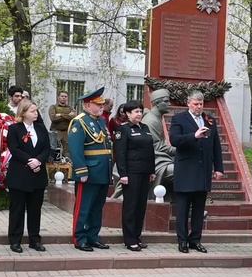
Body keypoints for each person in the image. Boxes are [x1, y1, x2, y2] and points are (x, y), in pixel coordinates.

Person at [170, 91, 224, 254]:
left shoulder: (209, 120)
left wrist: (219, 168)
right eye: (195, 104)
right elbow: (174, 140)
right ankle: (182, 240)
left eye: (201, 104)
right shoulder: (179, 119)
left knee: (199, 210)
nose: (199, 107)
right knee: (183, 209)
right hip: (186, 171)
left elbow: (216, 146)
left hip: (203, 171)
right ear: (188, 103)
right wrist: (194, 135)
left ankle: (195, 240)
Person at [68, 87, 113, 252]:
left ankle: (93, 236)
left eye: (102, 104)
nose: (102, 107)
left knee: (97, 207)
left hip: (102, 171)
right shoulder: (79, 122)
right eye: (97, 104)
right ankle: (80, 238)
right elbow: (75, 149)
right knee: (84, 207)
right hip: (89, 172)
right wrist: (81, 171)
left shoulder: (101, 121)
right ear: (87, 105)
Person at [6, 99, 50, 253]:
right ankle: (15, 240)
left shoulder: (41, 128)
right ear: (23, 113)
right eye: (32, 111)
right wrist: (29, 161)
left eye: (36, 110)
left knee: (35, 209)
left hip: (38, 175)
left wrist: (38, 160)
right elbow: (14, 148)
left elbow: (46, 148)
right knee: (17, 209)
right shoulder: (14, 129)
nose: (36, 113)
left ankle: (34, 240)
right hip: (20, 174)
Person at [114, 100, 156, 251]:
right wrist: (123, 174)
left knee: (141, 206)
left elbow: (150, 151)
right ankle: (129, 239)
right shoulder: (123, 129)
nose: (139, 114)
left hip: (145, 173)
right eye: (136, 112)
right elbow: (120, 153)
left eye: (140, 111)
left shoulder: (145, 128)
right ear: (127, 114)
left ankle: (137, 236)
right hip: (131, 174)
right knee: (131, 206)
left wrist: (152, 170)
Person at [142, 89, 175, 196]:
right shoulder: (152, 120)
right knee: (180, 170)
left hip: (159, 158)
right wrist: (178, 150)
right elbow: (157, 147)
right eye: (166, 101)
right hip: (154, 162)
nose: (169, 104)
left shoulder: (156, 118)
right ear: (157, 103)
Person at [48, 91, 77, 159]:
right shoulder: (53, 107)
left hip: (67, 133)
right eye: (62, 96)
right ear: (58, 97)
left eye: (65, 96)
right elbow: (53, 118)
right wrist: (67, 116)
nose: (64, 98)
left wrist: (60, 115)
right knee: (54, 151)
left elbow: (74, 118)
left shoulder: (70, 108)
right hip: (55, 132)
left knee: (67, 153)